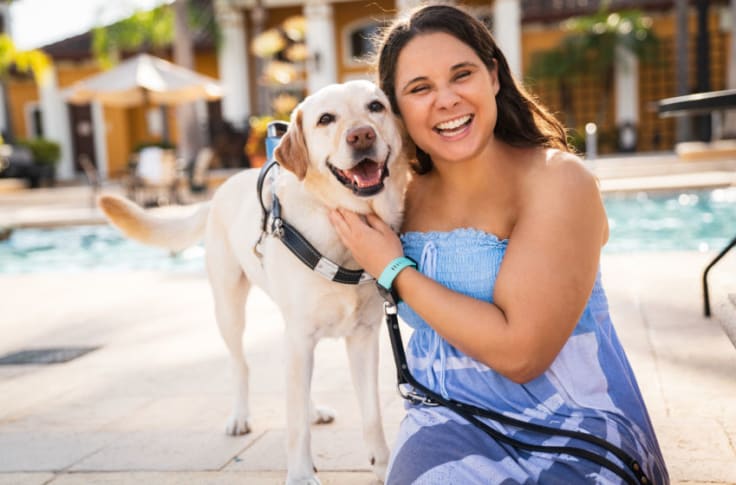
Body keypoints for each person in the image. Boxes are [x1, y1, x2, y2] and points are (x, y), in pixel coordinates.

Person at [328, 4, 668, 484]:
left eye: (460, 75)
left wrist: (395, 270)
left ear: (493, 75)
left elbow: (522, 355)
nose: (445, 100)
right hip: (447, 419)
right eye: (419, 88)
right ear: (397, 108)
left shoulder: (557, 181)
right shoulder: (401, 194)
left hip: (571, 422)